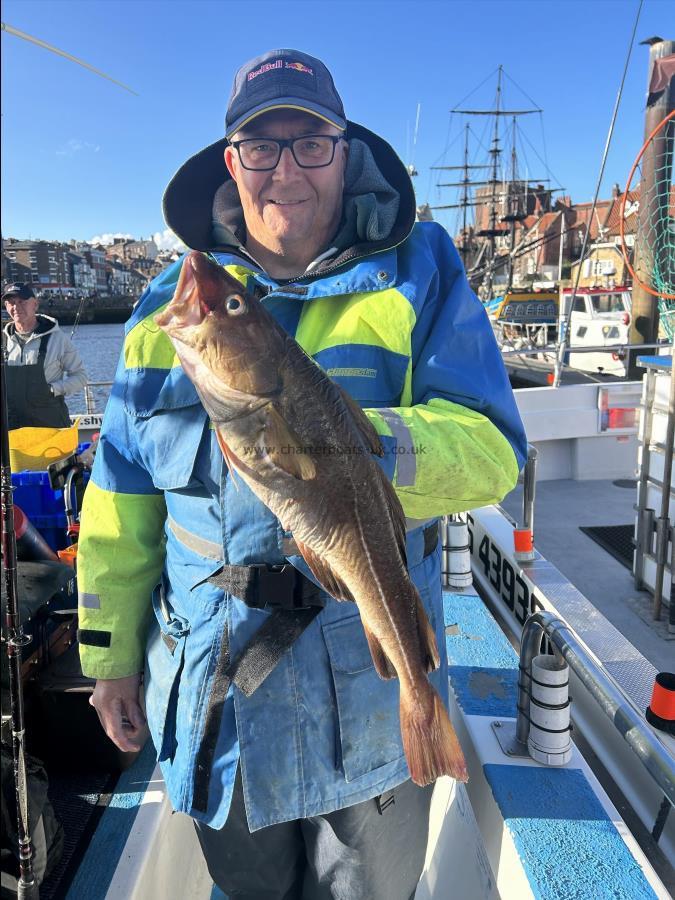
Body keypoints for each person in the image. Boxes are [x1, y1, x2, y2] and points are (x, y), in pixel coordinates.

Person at [77, 49, 527, 899]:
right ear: (231, 162)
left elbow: (494, 448)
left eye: (309, 142)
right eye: (260, 145)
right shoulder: (159, 316)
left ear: (344, 151)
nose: (285, 167)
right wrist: (109, 658)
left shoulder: (420, 270)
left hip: (367, 704)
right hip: (217, 693)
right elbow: (118, 504)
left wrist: (361, 451)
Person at [3, 282, 87, 430]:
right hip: (12, 429)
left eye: (22, 301)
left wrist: (53, 389)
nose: (16, 307)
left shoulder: (58, 339)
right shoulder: (3, 341)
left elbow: (80, 377)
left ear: (35, 304)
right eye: (11, 302)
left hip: (50, 426)